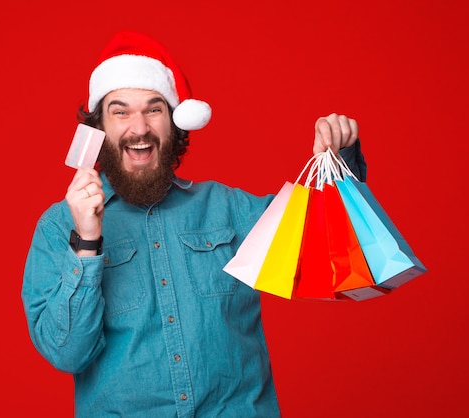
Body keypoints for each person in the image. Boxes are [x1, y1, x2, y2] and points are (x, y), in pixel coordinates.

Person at [22, 31, 366, 417]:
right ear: (98, 130)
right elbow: (66, 352)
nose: (139, 128)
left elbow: (331, 244)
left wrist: (339, 160)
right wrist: (87, 243)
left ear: (174, 123)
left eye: (154, 109)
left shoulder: (227, 209)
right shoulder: (58, 227)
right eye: (120, 111)